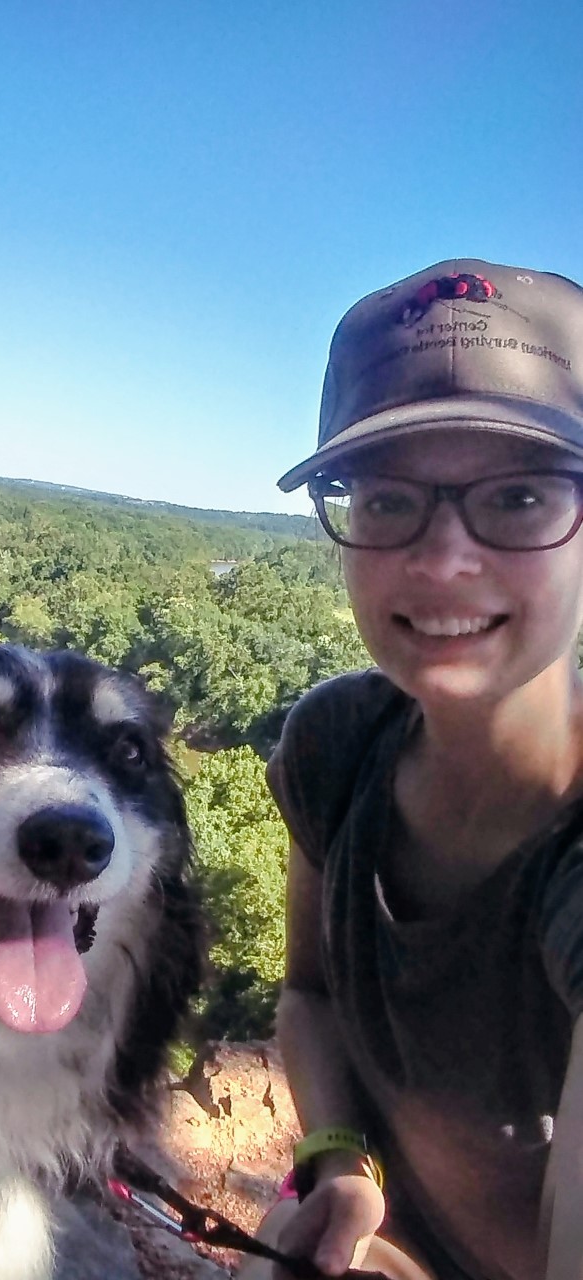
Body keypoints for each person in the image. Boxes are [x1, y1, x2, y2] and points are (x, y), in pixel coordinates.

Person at [239, 258, 583, 1280]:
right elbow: (309, 996)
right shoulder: (336, 742)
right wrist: (342, 1164)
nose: (441, 560)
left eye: (517, 496)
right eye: (388, 499)